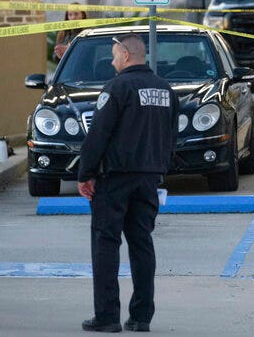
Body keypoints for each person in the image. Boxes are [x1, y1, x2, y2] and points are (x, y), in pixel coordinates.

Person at [78, 33, 178, 333]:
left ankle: (107, 317)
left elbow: (99, 134)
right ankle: (141, 316)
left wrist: (85, 173)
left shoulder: (117, 87)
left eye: (113, 55)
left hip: (115, 179)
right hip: (149, 178)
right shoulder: (166, 89)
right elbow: (171, 137)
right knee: (142, 244)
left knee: (106, 244)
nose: (111, 61)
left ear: (124, 55)